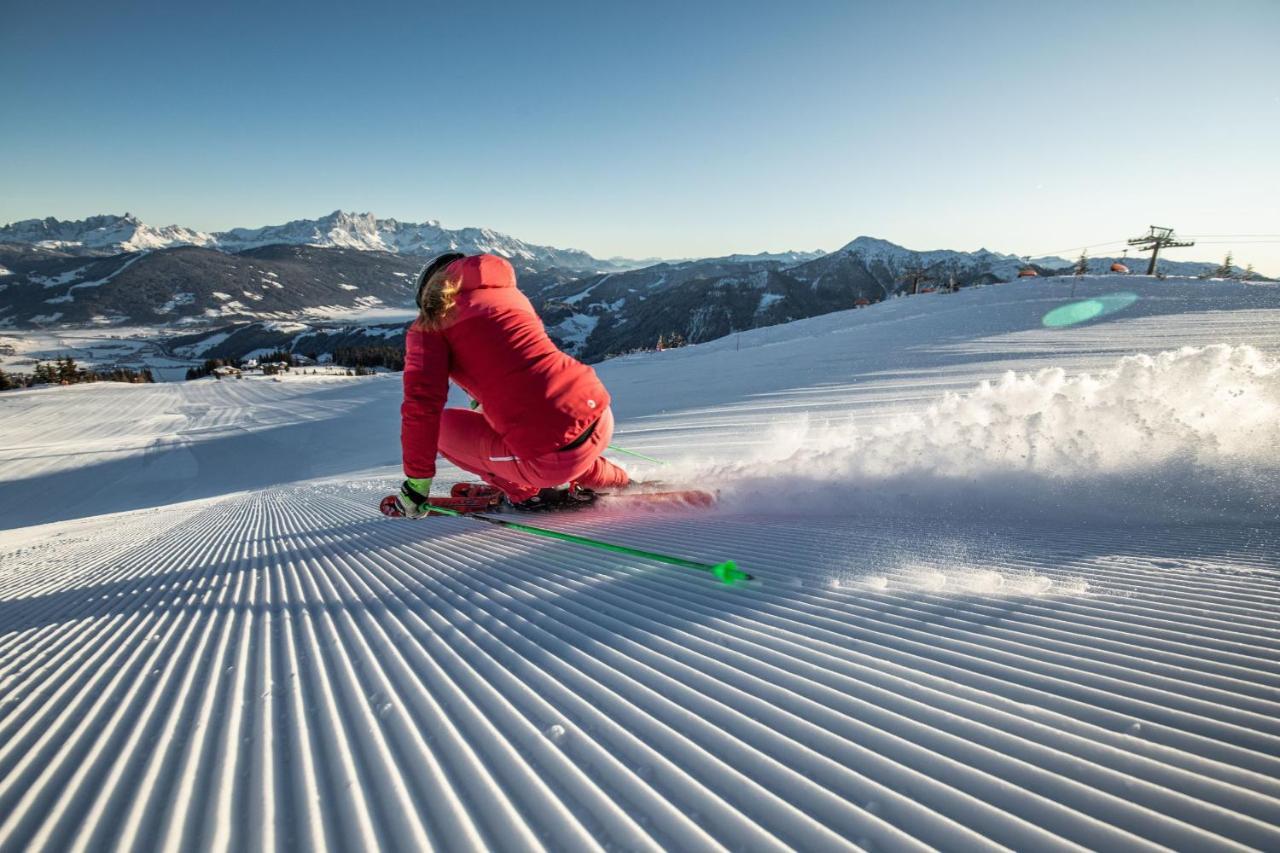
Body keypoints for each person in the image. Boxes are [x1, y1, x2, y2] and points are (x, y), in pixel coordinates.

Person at [394, 252, 630, 516]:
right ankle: (618, 481)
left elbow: (422, 406)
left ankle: (527, 494)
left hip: (549, 456)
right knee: (552, 430)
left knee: (441, 430)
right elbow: (515, 363)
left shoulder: (432, 322)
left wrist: (417, 485)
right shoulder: (509, 296)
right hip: (600, 414)